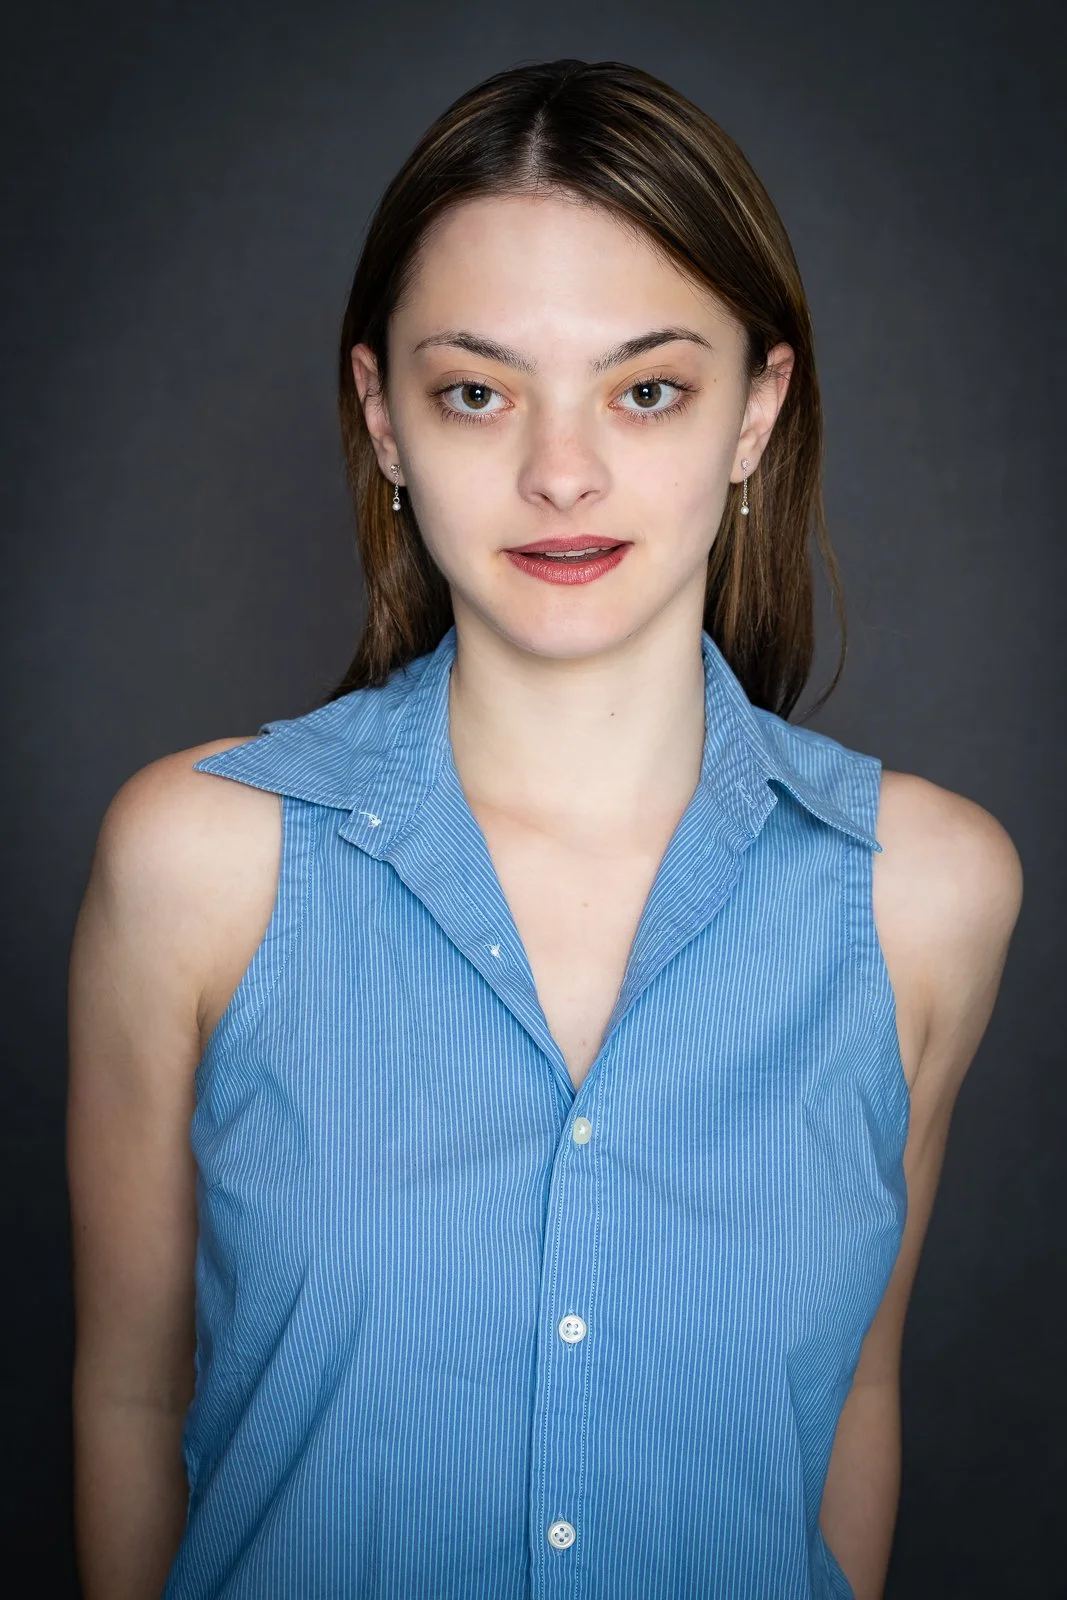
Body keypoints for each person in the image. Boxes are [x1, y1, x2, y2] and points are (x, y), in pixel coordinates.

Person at [66, 58, 1023, 1600]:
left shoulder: (925, 892)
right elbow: (126, 1390)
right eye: (475, 390)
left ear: (753, 411)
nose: (559, 472)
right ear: (382, 418)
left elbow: (848, 1393)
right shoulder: (195, 860)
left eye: (647, 388)